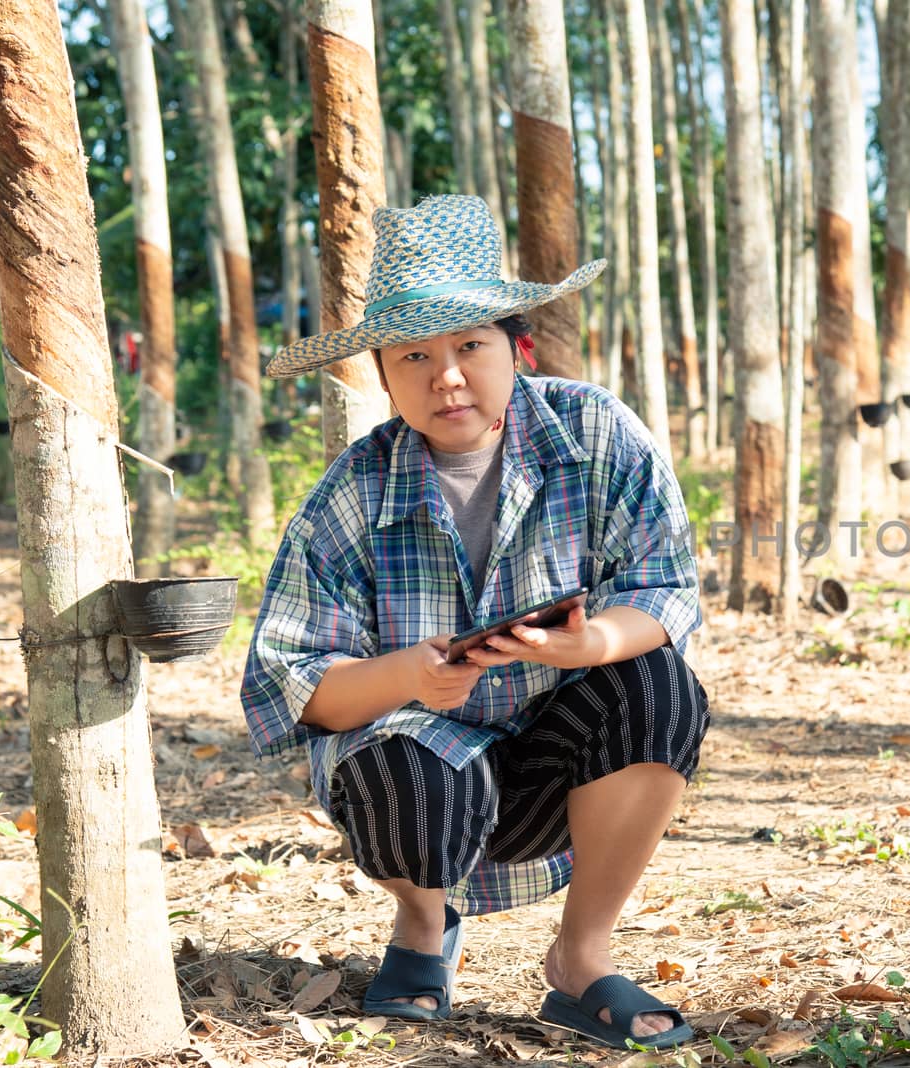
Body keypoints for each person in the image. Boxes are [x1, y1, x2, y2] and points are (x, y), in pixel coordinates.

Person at [240, 195, 708, 1049]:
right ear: (381, 371)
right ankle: (422, 927)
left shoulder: (595, 431)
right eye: (413, 354)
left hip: (562, 770)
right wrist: (409, 678)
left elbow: (666, 587)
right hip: (420, 780)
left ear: (514, 347)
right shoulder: (350, 494)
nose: (445, 375)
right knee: (406, 760)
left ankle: (580, 959)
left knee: (660, 686)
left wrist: (592, 641)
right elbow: (291, 688)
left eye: (469, 345)